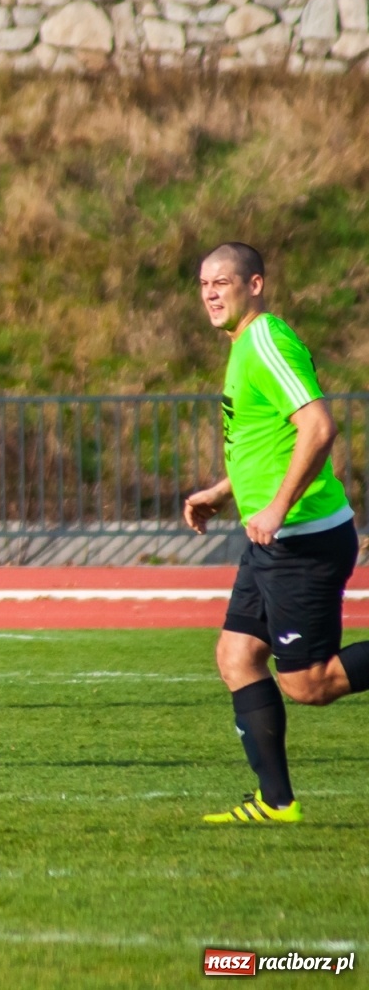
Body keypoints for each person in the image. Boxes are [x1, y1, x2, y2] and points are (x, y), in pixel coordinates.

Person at [184, 242, 369, 823]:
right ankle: (276, 802)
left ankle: (276, 799)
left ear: (255, 284)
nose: (211, 293)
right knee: (237, 655)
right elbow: (267, 443)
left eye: (224, 282)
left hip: (301, 540)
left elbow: (318, 427)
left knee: (309, 684)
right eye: (204, 284)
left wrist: (278, 510)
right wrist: (224, 491)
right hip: (274, 539)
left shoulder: (264, 339)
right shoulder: (243, 347)